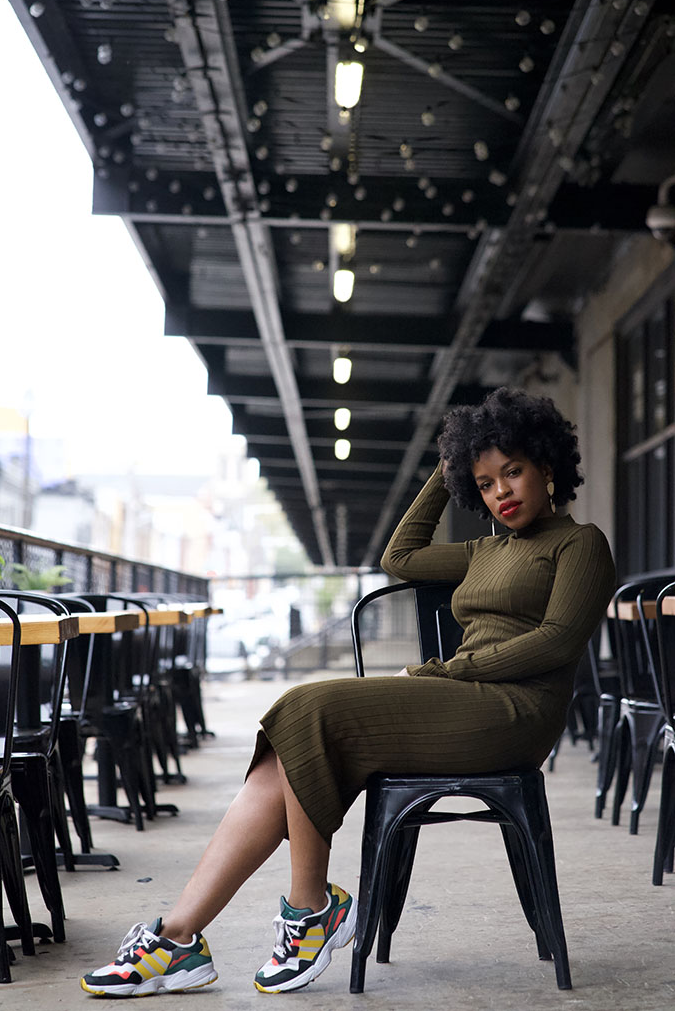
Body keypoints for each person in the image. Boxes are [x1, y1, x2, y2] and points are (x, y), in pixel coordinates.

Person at [80, 387, 615, 998]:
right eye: (485, 483)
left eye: (513, 472)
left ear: (547, 465)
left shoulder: (581, 544)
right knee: (285, 750)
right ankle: (179, 937)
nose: (502, 493)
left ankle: (311, 909)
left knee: (308, 710)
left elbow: (556, 643)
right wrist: (445, 472)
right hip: (463, 700)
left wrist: (447, 672)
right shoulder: (484, 550)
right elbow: (400, 556)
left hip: (516, 711)